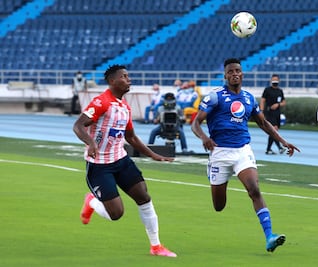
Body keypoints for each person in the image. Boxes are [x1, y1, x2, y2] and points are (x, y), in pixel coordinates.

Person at [191, 58, 300, 253]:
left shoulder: (249, 98)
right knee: (218, 206)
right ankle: (214, 174)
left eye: (238, 71)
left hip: (242, 151)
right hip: (220, 153)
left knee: (254, 189)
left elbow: (264, 123)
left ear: (242, 74)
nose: (234, 74)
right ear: (225, 75)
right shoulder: (215, 97)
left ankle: (270, 237)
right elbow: (195, 123)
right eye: (230, 71)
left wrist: (283, 141)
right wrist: (204, 138)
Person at [73, 65, 176, 257]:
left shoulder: (124, 107)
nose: (129, 79)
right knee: (116, 214)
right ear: (113, 81)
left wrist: (153, 154)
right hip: (99, 166)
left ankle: (156, 246)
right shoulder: (100, 102)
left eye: (128, 76)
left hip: (121, 160)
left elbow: (132, 137)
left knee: (144, 197)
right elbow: (78, 125)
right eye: (124, 76)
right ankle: (92, 202)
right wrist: (91, 144)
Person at [260, 74, 286, 155]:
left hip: (277, 113)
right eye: (273, 79)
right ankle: (279, 147)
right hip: (269, 112)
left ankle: (269, 149)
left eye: (276, 80)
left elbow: (284, 102)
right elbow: (262, 100)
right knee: (274, 130)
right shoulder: (267, 90)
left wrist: (278, 105)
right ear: (271, 80)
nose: (275, 81)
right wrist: (261, 111)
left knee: (273, 131)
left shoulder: (280, 91)